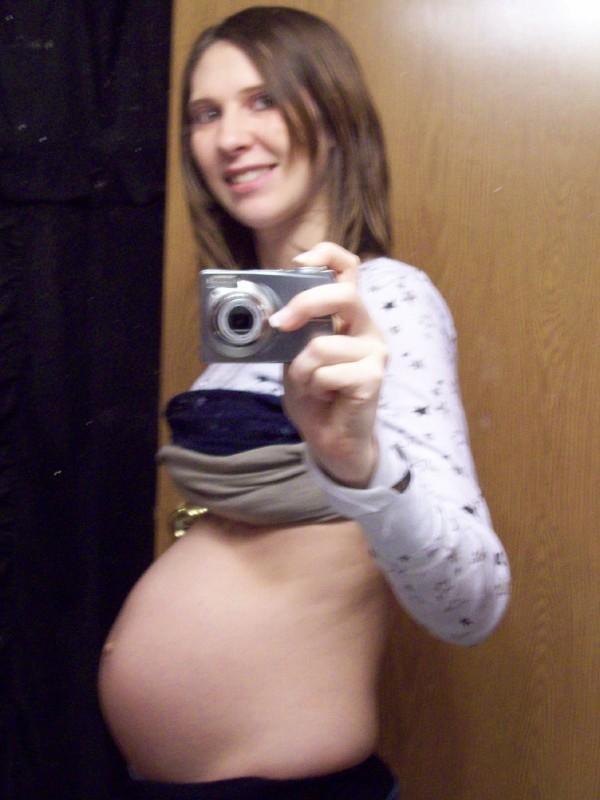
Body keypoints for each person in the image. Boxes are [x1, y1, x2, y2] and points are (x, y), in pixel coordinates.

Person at [98, 7, 510, 799]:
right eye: (205, 114)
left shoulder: (387, 302)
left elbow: (474, 607)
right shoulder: (246, 318)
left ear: (334, 115)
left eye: (263, 100)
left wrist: (360, 462)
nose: (230, 137)